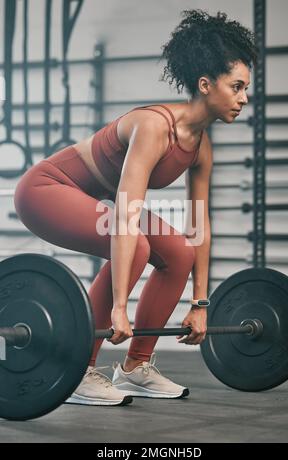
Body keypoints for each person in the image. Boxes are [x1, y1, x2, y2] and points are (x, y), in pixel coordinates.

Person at [14, 9, 257, 406]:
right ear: (205, 84)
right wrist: (120, 309)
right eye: (237, 86)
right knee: (139, 245)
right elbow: (126, 214)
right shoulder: (154, 127)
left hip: (94, 199)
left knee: (179, 251)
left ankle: (134, 368)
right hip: (45, 189)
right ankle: (77, 372)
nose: (244, 98)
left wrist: (201, 305)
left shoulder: (200, 148)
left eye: (246, 88)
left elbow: (199, 228)